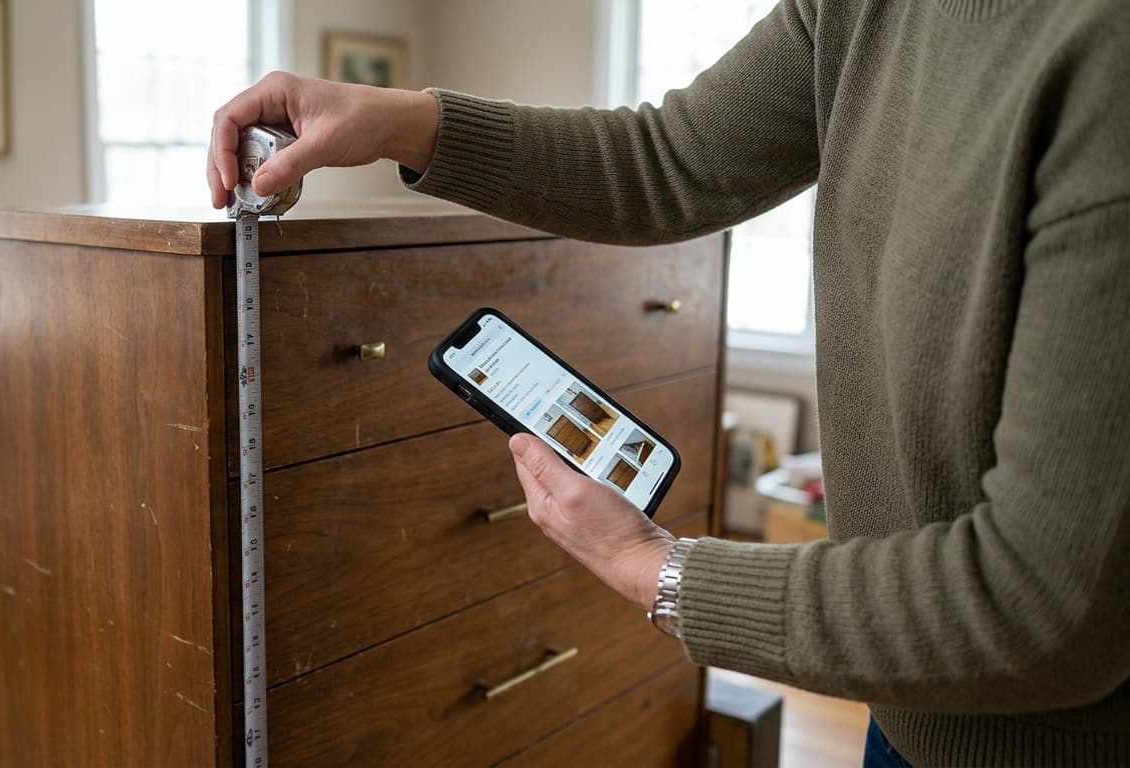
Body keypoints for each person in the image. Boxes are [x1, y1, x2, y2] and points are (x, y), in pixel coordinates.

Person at [207, 0, 1130, 764]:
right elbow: (669, 160)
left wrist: (651, 566)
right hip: (909, 705)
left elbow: (1041, 606)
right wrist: (400, 120)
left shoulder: (1102, 65)